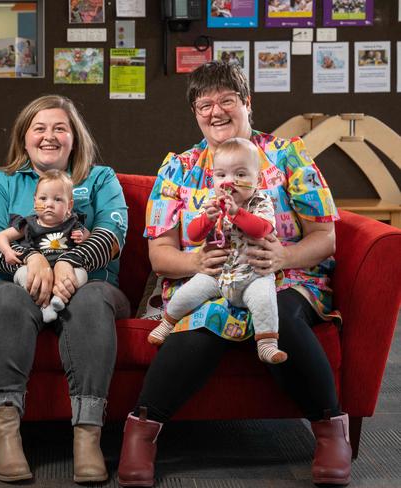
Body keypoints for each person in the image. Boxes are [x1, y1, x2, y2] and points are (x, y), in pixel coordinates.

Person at [117, 61, 351, 487]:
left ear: (247, 103)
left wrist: (284, 256)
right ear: (195, 113)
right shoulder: (178, 169)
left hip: (285, 279)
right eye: (205, 104)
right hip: (210, 284)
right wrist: (195, 263)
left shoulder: (286, 155)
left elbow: (326, 237)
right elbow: (160, 254)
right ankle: (142, 434)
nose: (216, 111)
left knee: (280, 310)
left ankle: (331, 430)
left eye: (227, 100)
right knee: (204, 321)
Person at [0, 94, 130, 483]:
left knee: (91, 299)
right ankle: (6, 435)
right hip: (14, 286)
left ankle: (87, 438)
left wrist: (69, 263)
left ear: (74, 137)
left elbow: (112, 235)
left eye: (60, 128)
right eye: (39, 128)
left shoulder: (100, 178)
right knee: (6, 298)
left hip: (86, 287)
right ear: (24, 137)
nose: (49, 136)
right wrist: (31, 260)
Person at [147, 138, 287, 364]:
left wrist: (235, 214)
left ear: (257, 179)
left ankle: (267, 344)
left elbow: (262, 229)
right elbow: (194, 235)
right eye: (222, 175)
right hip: (218, 273)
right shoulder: (213, 203)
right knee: (187, 294)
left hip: (253, 274)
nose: (229, 182)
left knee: (266, 301)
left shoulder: (261, 201)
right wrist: (206, 219)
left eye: (240, 175)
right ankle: (166, 323)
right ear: (214, 179)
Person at [0, 169, 90, 323]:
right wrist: (7, 251)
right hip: (36, 270)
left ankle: (58, 299)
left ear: (69, 205)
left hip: (63, 272)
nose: (49, 204)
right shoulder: (28, 224)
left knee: (81, 274)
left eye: (58, 199)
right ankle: (44, 305)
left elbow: (89, 236)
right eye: (43, 198)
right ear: (35, 202)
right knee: (21, 273)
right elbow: (1, 236)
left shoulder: (72, 222)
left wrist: (82, 236)